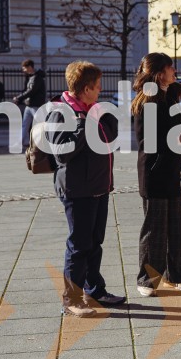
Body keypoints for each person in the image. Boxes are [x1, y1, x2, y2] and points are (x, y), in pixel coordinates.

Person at [46, 61, 125, 317]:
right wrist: (84, 126)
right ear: (85, 87)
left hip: (99, 186)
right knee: (78, 245)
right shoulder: (61, 112)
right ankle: (71, 299)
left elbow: (110, 139)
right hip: (77, 189)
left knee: (95, 243)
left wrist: (107, 119)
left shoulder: (94, 109)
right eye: (98, 85)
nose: (101, 90)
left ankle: (95, 289)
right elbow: (61, 153)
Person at [132, 53, 181, 297]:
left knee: (177, 227)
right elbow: (148, 142)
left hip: (173, 170)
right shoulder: (147, 102)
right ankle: (147, 280)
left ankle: (175, 276)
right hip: (155, 173)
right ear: (158, 73)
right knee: (154, 229)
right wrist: (177, 138)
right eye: (170, 67)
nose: (174, 71)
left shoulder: (171, 95)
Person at [14, 59, 46, 148]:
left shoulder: (37, 77)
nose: (23, 70)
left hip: (36, 105)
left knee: (39, 124)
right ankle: (22, 142)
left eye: (24, 68)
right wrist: (20, 99)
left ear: (29, 67)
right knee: (25, 124)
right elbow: (28, 91)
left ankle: (44, 142)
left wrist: (19, 98)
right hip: (30, 105)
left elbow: (31, 91)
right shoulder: (32, 77)